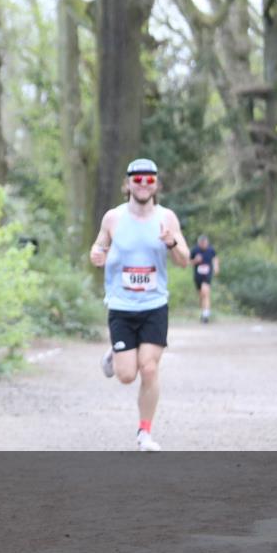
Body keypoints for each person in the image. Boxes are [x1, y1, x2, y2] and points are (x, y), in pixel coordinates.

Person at [90, 158, 189, 452]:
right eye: (137, 179)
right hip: (121, 306)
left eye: (149, 180)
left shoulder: (166, 218)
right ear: (128, 184)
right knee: (126, 375)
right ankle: (116, 353)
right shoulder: (113, 218)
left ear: (156, 184)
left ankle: (145, 432)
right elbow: (99, 245)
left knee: (149, 368)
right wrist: (97, 253)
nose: (143, 184)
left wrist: (172, 243)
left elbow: (184, 260)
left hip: (154, 305)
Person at [190, 234, 219, 323]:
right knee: (201, 295)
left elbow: (215, 258)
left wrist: (216, 267)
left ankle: (206, 315)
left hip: (207, 275)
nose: (203, 244)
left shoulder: (211, 250)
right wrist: (195, 260)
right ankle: (204, 313)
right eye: (201, 243)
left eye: (205, 243)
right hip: (198, 276)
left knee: (205, 292)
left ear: (207, 242)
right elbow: (188, 262)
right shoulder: (195, 250)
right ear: (199, 243)